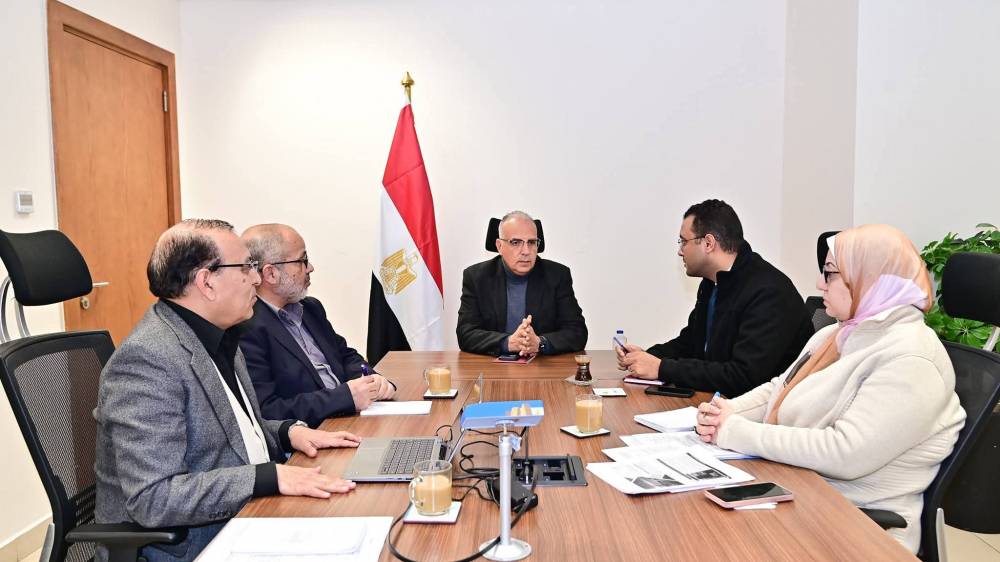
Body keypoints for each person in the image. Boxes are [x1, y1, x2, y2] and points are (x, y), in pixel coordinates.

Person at [94, 219, 361, 562]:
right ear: (206, 282)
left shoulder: (220, 335)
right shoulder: (146, 361)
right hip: (192, 545)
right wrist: (267, 478)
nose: (256, 278)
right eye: (246, 267)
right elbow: (155, 498)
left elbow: (231, 431)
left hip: (249, 516)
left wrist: (288, 432)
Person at [694, 224, 966, 554]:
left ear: (870, 278)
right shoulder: (839, 333)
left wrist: (735, 432)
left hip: (857, 528)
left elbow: (844, 453)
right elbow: (780, 388)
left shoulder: (912, 358)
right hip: (801, 494)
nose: (820, 284)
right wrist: (727, 412)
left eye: (831, 274)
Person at [619, 199, 812, 397]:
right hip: (722, 402)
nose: (680, 251)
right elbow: (691, 343)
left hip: (763, 409)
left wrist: (662, 368)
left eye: (684, 241)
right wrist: (647, 357)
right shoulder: (713, 282)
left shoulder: (769, 292)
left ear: (708, 243)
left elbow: (743, 376)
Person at [239, 224, 394, 426]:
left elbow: (346, 356)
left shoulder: (311, 308)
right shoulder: (247, 328)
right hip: (316, 433)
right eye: (302, 261)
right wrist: (345, 398)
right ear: (271, 274)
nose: (310, 268)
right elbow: (268, 410)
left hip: (353, 419)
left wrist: (373, 379)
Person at [457, 210, 587, 356]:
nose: (526, 251)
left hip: (542, 365)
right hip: (492, 366)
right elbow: (465, 333)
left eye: (531, 242)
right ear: (499, 246)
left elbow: (577, 332)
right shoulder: (476, 277)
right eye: (516, 242)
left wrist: (540, 343)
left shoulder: (557, 275)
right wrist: (507, 342)